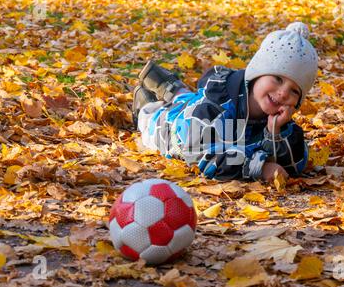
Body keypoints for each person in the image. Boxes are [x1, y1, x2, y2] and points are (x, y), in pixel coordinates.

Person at [132, 22, 318, 183]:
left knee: (191, 100)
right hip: (178, 129)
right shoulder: (216, 108)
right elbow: (204, 155)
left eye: (294, 91)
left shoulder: (279, 117)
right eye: (277, 79)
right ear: (257, 74)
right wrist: (259, 166)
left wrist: (275, 134)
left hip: (202, 109)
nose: (283, 93)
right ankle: (146, 104)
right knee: (162, 119)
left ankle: (172, 88)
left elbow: (295, 165)